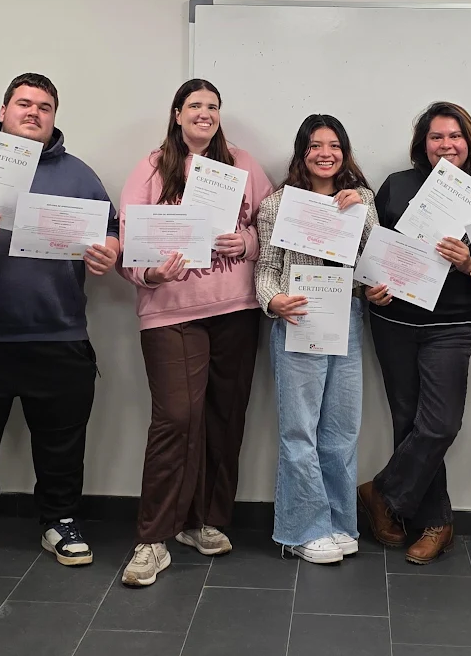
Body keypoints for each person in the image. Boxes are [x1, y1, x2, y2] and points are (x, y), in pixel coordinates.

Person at [0, 73, 121, 571]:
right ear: (3, 109)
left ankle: (59, 520)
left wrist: (110, 252)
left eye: (44, 107)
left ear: (54, 117)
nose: (34, 113)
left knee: (62, 439)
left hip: (58, 334)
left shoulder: (78, 174)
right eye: (24, 104)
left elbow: (112, 229)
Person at [117, 79, 272, 587]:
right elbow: (126, 243)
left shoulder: (244, 165)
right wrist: (149, 273)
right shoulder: (150, 167)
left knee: (224, 416)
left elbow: (271, 230)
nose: (204, 114)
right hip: (170, 312)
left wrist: (244, 240)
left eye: (213, 106)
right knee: (176, 419)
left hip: (236, 310)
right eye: (195, 106)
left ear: (219, 115)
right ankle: (152, 539)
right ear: (177, 113)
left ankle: (205, 522)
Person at [356, 101, 471, 564]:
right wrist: (371, 287)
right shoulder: (396, 186)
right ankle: (435, 522)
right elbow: (371, 251)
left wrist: (468, 263)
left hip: (450, 325)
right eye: (436, 138)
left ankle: (382, 491)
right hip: (393, 323)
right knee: (408, 425)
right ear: (422, 145)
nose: (446, 146)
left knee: (440, 424)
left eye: (455, 136)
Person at [255, 114, 378, 564]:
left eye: (334, 145)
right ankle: (302, 530)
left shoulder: (361, 200)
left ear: (344, 153)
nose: (325, 153)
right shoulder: (278, 204)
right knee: (299, 429)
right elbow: (265, 270)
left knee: (342, 430)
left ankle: (340, 522)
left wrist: (361, 215)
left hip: (345, 318)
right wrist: (275, 302)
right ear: (301, 152)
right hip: (299, 319)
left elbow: (370, 266)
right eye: (315, 145)